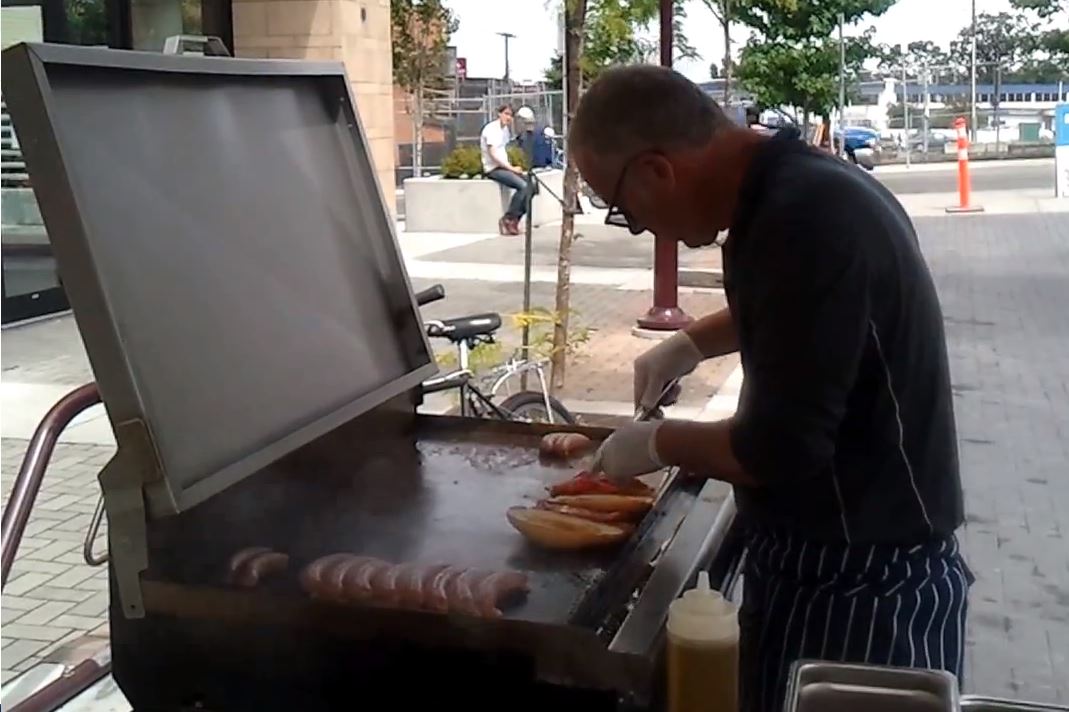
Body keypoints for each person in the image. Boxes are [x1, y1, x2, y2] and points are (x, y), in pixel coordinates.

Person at [575, 65, 971, 712]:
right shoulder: (795, 185)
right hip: (832, 561)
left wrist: (658, 442)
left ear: (656, 171)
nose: (640, 227)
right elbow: (807, 308)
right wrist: (691, 343)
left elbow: (777, 450)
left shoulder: (804, 216)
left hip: (861, 588)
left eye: (623, 209)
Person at [480, 104, 530, 236]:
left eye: (510, 115)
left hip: (505, 167)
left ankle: (515, 219)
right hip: (493, 169)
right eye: (506, 114)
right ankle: (508, 218)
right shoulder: (491, 130)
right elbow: (493, 155)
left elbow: (504, 151)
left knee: (533, 187)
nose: (508, 118)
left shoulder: (505, 131)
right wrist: (511, 168)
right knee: (523, 187)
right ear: (499, 114)